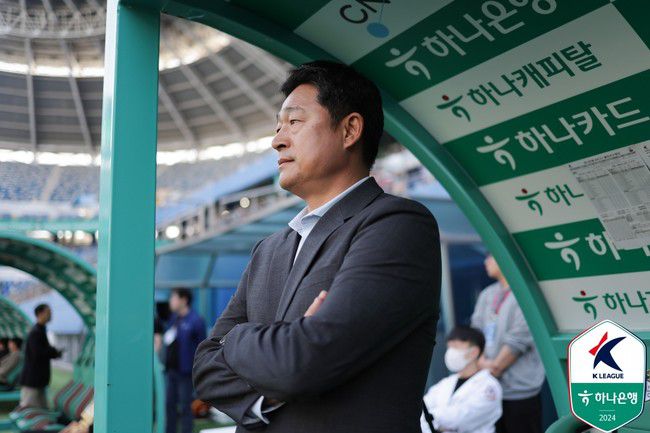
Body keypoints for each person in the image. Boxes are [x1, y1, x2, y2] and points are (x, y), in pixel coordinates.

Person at [193, 60, 441, 433]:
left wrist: (236, 339)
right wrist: (275, 378)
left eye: (294, 122)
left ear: (350, 130)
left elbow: (302, 361)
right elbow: (204, 367)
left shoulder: (397, 225)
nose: (277, 140)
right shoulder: (268, 249)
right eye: (278, 126)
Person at [471, 254, 545, 433]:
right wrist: (481, 361)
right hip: (488, 390)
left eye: (490, 256)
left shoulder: (526, 293)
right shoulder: (487, 294)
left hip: (520, 392)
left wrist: (494, 367)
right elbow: (475, 331)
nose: (486, 261)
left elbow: (519, 338)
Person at [421, 326, 502, 433]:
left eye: (455, 347)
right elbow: (420, 410)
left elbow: (460, 419)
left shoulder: (489, 387)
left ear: (474, 352)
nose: (450, 352)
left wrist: (431, 418)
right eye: (449, 347)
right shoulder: (445, 383)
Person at [164, 288, 206, 433]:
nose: (171, 301)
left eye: (174, 298)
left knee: (185, 406)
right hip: (171, 371)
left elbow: (202, 347)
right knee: (169, 405)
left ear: (183, 300)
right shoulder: (173, 319)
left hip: (186, 373)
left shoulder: (196, 320)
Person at [19, 304, 62, 409]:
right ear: (40, 314)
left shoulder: (40, 330)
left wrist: (53, 352)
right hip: (32, 380)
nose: (50, 314)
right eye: (48, 312)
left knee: (41, 410)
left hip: (38, 380)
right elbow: (38, 353)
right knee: (28, 410)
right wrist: (53, 352)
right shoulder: (36, 332)